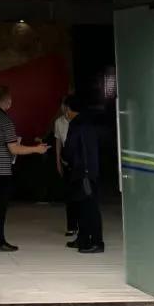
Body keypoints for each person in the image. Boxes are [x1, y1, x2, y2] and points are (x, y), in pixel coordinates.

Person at [0, 84, 50, 252]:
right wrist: (36, 149)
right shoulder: (5, 121)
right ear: (8, 101)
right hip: (0, 171)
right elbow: (14, 149)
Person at [62, 94, 104, 254]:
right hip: (89, 170)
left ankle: (96, 242)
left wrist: (65, 157)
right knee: (84, 206)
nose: (65, 112)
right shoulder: (89, 122)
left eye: (65, 109)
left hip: (82, 172)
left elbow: (70, 149)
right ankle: (84, 238)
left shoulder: (76, 124)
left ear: (69, 109)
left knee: (88, 207)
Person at [53, 97, 77, 237]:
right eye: (62, 106)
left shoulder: (77, 121)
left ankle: (81, 224)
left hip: (78, 162)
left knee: (79, 194)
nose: (63, 109)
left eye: (65, 106)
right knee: (69, 195)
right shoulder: (58, 122)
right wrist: (58, 161)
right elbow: (58, 143)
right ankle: (71, 226)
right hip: (66, 161)